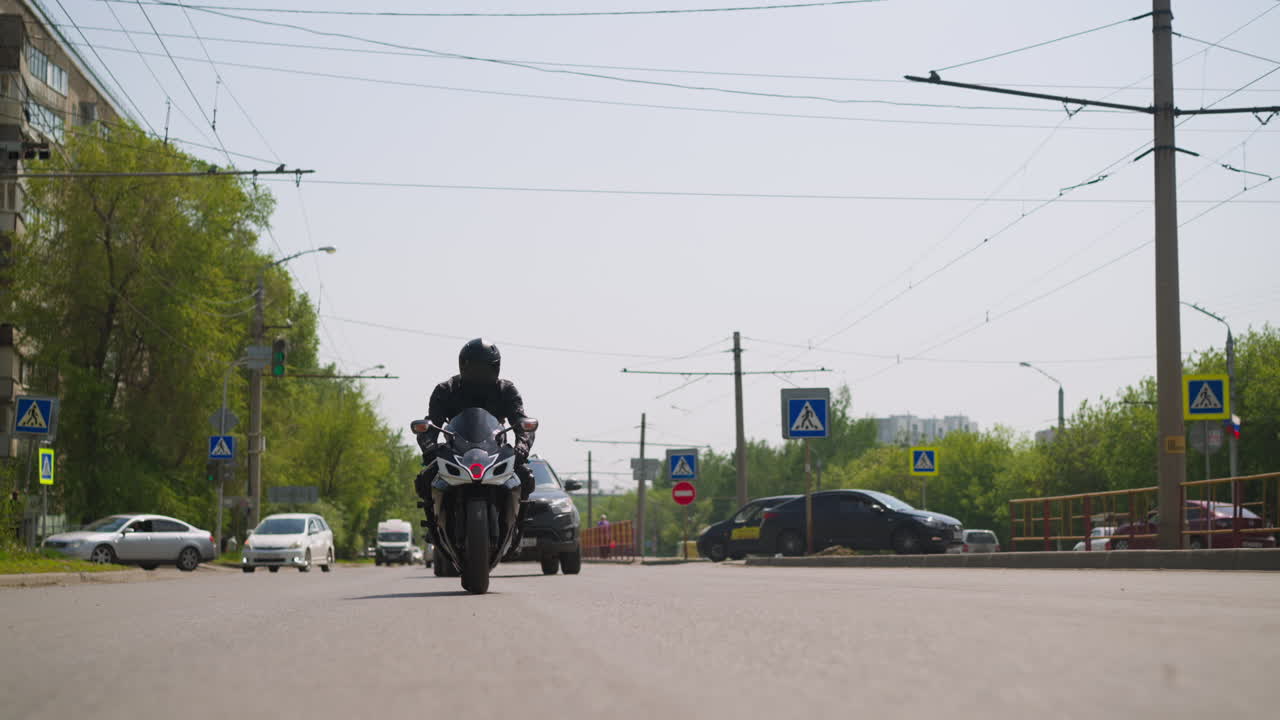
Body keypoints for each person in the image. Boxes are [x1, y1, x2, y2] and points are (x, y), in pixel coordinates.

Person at [414, 338, 536, 530]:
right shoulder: (446, 390)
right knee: (425, 478)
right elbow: (431, 424)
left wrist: (523, 445)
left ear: (496, 367)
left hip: (495, 451)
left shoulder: (506, 390)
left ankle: (518, 527)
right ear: (463, 366)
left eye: (485, 368)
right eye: (475, 368)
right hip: (456, 451)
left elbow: (522, 422)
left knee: (526, 477)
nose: (480, 373)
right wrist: (429, 446)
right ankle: (434, 526)